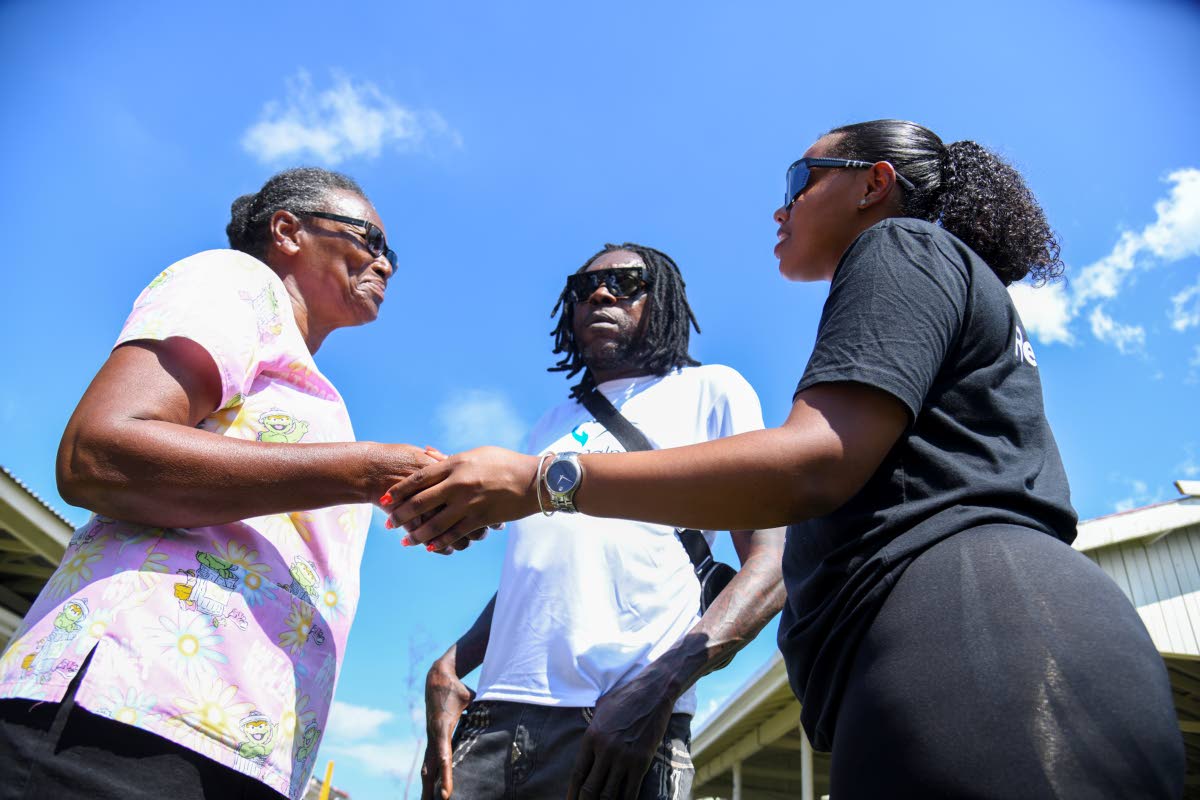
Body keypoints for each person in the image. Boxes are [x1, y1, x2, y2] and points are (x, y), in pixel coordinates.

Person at [385, 121, 1186, 798]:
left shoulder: (901, 246)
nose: (781, 204)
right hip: (956, 646)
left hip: (979, 638)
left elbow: (811, 465)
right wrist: (455, 660)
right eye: (582, 287)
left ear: (873, 183)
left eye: (801, 178)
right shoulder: (921, 280)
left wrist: (542, 483)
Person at [0, 167, 441, 799]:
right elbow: (98, 452)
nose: (386, 264)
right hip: (126, 721)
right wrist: (365, 470)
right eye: (370, 239)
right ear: (286, 231)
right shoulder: (236, 282)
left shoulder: (312, 385)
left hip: (234, 749)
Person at [418, 243, 786, 800]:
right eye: (582, 287)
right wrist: (451, 663)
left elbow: (775, 563)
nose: (600, 293)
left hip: (619, 721)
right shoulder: (549, 424)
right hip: (492, 725)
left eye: (625, 282)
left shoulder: (713, 391)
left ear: (661, 299)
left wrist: (660, 690)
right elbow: (539, 577)